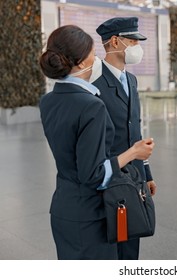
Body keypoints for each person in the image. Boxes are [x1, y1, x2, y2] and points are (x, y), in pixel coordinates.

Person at [39, 25, 154, 260]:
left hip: (64, 208)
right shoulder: (91, 105)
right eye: (92, 52)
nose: (96, 58)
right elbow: (94, 175)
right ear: (81, 62)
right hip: (91, 216)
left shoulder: (49, 100)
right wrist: (133, 152)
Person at [93, 17, 157, 260]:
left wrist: (146, 174)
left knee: (130, 244)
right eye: (133, 41)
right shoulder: (94, 82)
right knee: (113, 245)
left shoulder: (131, 79)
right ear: (116, 41)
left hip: (134, 179)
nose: (137, 47)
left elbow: (135, 132)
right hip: (108, 179)